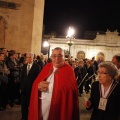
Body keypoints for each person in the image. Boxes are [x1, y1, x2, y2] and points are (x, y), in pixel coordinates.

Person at [28, 47, 79, 120]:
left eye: (60, 56)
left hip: (59, 106)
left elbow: (71, 89)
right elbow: (36, 83)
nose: (57, 59)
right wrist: (38, 86)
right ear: (51, 57)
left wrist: (50, 87)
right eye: (54, 56)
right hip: (42, 104)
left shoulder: (69, 70)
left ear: (64, 57)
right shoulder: (47, 67)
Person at [20, 52, 41, 120]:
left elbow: (38, 78)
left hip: (32, 89)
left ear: (33, 58)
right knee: (23, 104)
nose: (29, 59)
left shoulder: (37, 67)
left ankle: (30, 117)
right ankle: (24, 117)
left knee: (31, 104)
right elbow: (22, 78)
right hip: (24, 88)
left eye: (30, 57)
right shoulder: (24, 66)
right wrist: (20, 87)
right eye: (27, 57)